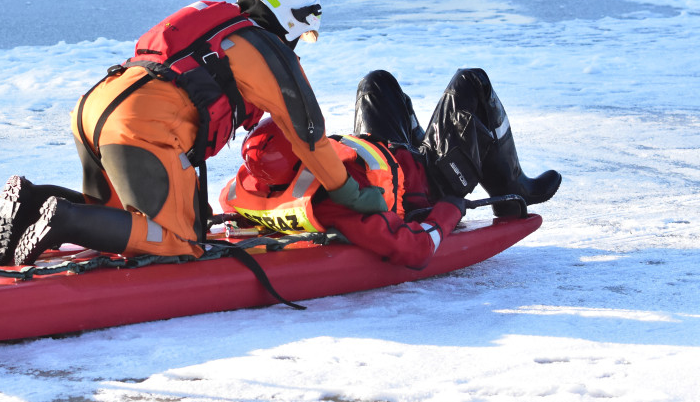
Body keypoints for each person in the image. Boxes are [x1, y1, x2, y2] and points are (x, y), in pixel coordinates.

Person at [0, 0, 384, 266]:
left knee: (118, 218)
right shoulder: (267, 51)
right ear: (293, 22)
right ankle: (64, 219)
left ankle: (33, 202)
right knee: (181, 241)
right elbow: (308, 135)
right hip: (141, 124)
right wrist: (348, 192)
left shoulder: (219, 23)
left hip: (96, 105)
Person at [219, 68, 561, 269]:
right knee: (472, 82)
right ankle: (514, 190)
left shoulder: (251, 185)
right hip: (431, 186)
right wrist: (448, 209)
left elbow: (235, 206)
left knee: (376, 82)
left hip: (392, 158)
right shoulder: (337, 201)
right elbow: (412, 249)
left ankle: (423, 145)